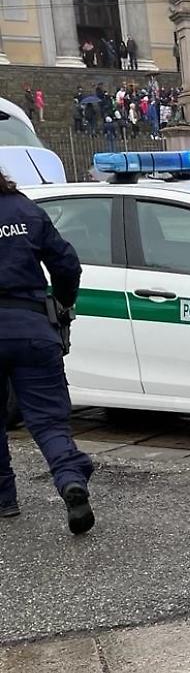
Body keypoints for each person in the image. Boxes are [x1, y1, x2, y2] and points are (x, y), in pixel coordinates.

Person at [0, 167, 94, 534]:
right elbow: (67, 264)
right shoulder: (23, 210)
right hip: (32, 327)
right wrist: (63, 303)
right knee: (48, 420)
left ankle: (5, 499)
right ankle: (71, 479)